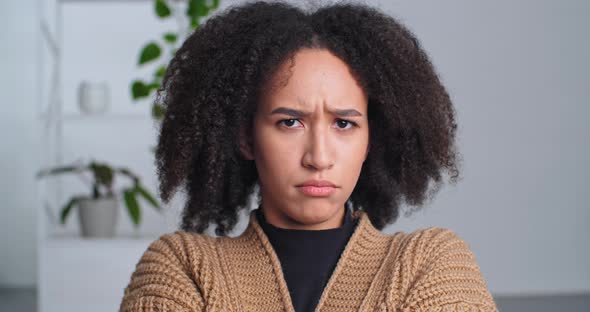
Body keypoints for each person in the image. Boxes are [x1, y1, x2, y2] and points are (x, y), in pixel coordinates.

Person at [119, 1, 498, 311]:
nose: (318, 157)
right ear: (246, 138)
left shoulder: (428, 263)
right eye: (290, 123)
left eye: (344, 125)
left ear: (370, 140)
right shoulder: (183, 268)